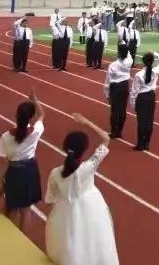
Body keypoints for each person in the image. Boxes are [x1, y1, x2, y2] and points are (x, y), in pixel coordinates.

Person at [44, 113, 119, 265]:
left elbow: (51, 199)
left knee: (72, 242)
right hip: (92, 207)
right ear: (84, 149)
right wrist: (87, 122)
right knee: (95, 241)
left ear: (65, 148)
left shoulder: (55, 173)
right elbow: (106, 138)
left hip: (65, 210)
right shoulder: (88, 167)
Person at [0, 92, 45, 231]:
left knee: (12, 207)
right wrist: (35, 100)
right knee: (26, 208)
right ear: (31, 117)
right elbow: (42, 115)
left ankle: (10, 235)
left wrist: (1, 183)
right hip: (30, 171)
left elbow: (4, 163)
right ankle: (23, 238)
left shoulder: (6, 136)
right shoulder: (36, 131)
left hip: (14, 172)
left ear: (17, 116)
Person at [131, 52, 159, 151]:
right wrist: (156, 54)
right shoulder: (155, 71)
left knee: (141, 121)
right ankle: (147, 142)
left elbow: (134, 91)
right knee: (149, 120)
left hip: (142, 98)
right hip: (151, 96)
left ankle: (140, 144)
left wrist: (133, 103)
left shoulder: (139, 74)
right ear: (152, 61)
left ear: (143, 62)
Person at [103, 44, 134, 139]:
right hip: (125, 86)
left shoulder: (113, 65)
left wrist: (106, 93)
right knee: (122, 109)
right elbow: (129, 55)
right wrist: (125, 46)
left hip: (115, 87)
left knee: (114, 110)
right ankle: (119, 130)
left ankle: (114, 131)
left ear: (118, 52)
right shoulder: (129, 62)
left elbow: (108, 80)